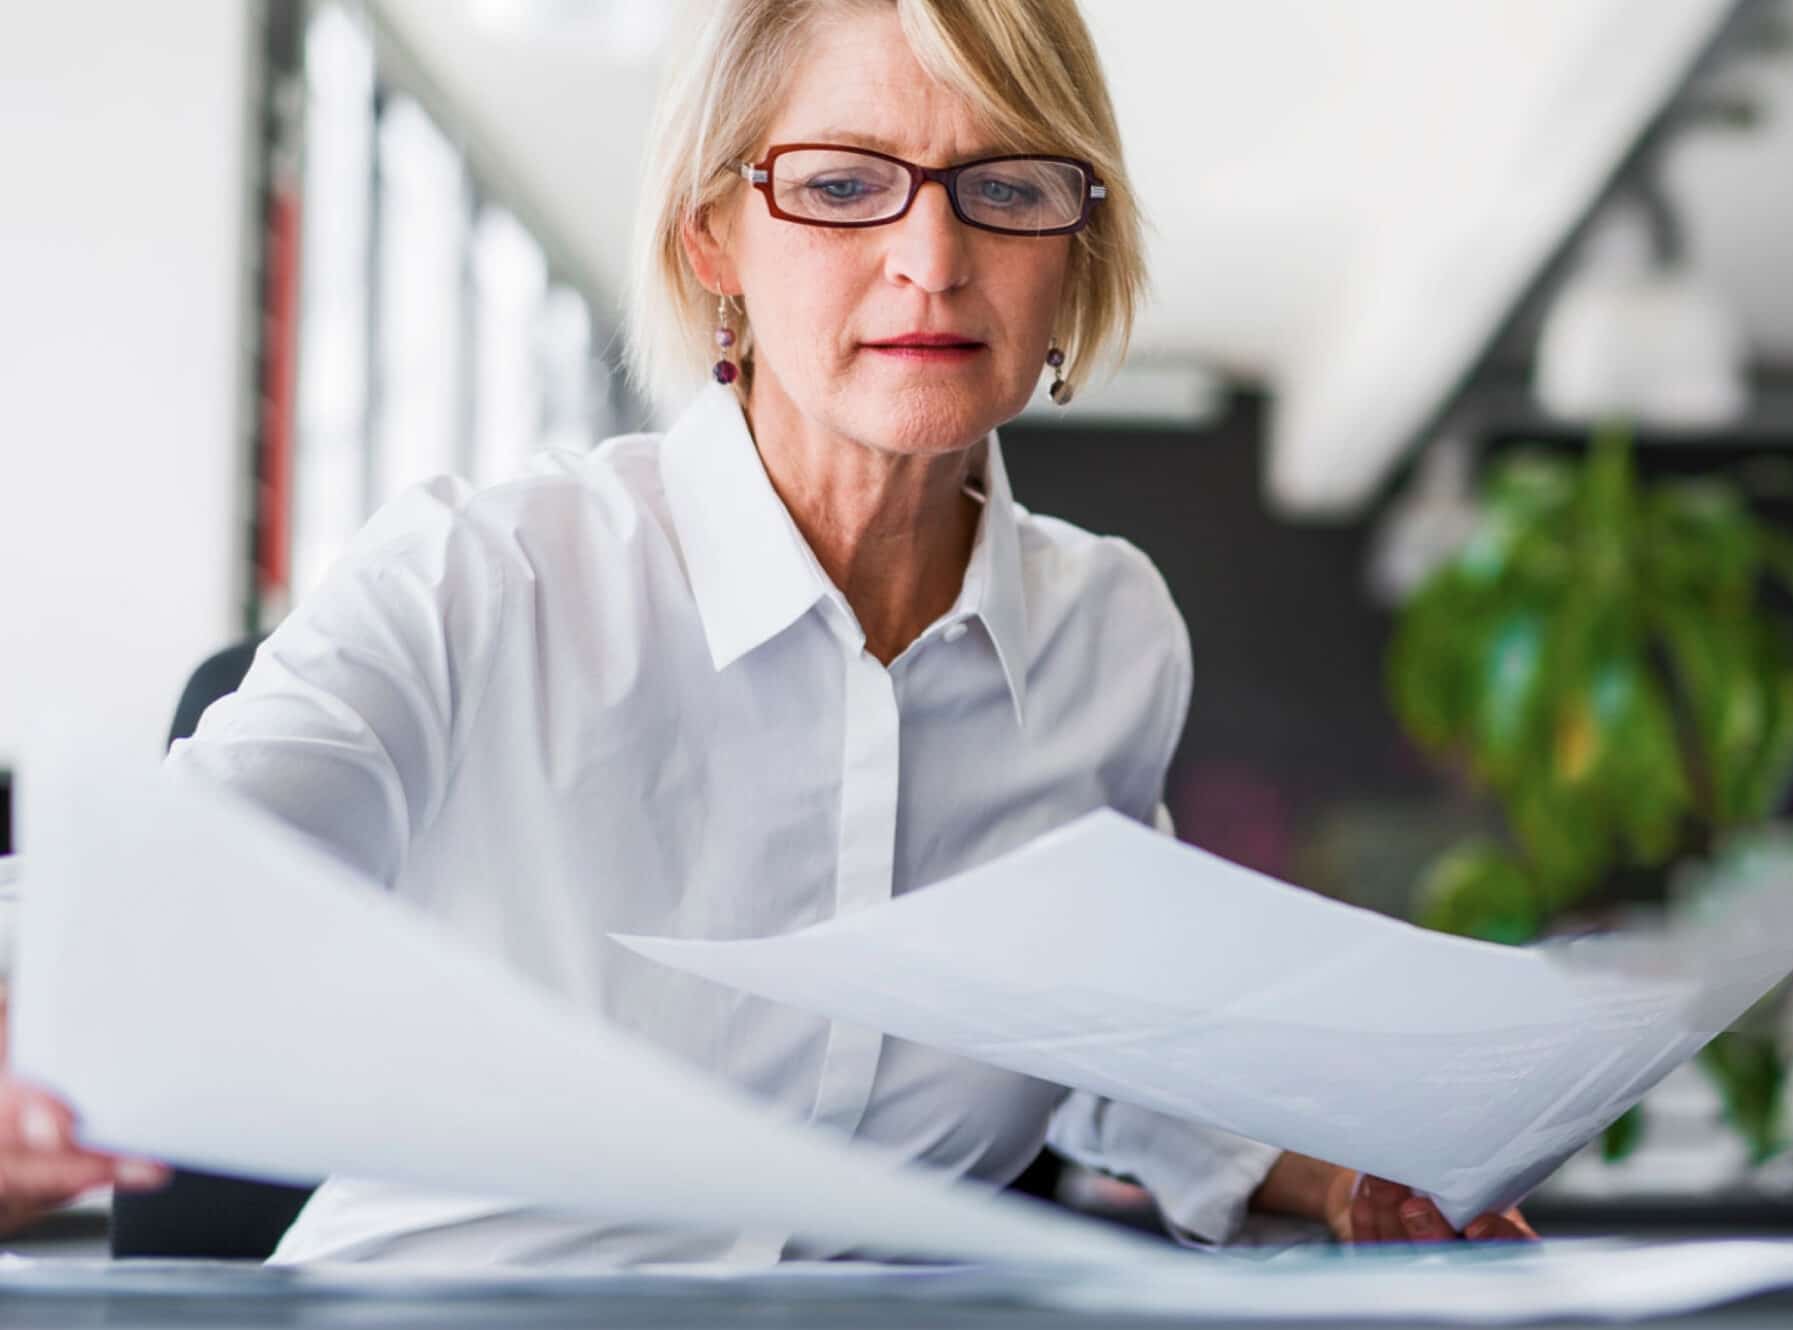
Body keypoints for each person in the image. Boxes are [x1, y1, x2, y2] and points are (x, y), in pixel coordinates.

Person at [0, 0, 1533, 1261]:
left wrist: (1329, 1172)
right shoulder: (483, 582)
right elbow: (144, 899)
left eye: (1006, 186)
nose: (932, 261)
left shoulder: (1107, 636)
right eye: (846, 183)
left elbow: (1085, 1029)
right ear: (714, 240)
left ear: (1072, 244)